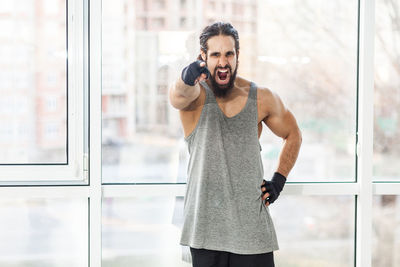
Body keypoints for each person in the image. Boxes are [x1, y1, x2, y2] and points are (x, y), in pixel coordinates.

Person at [169, 22, 302, 267]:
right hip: (204, 233)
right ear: (203, 57)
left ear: (237, 55)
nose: (223, 61)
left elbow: (293, 134)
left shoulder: (262, 97)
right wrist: (184, 78)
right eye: (215, 54)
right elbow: (177, 96)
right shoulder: (194, 95)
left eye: (229, 53)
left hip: (252, 234)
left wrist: (279, 180)